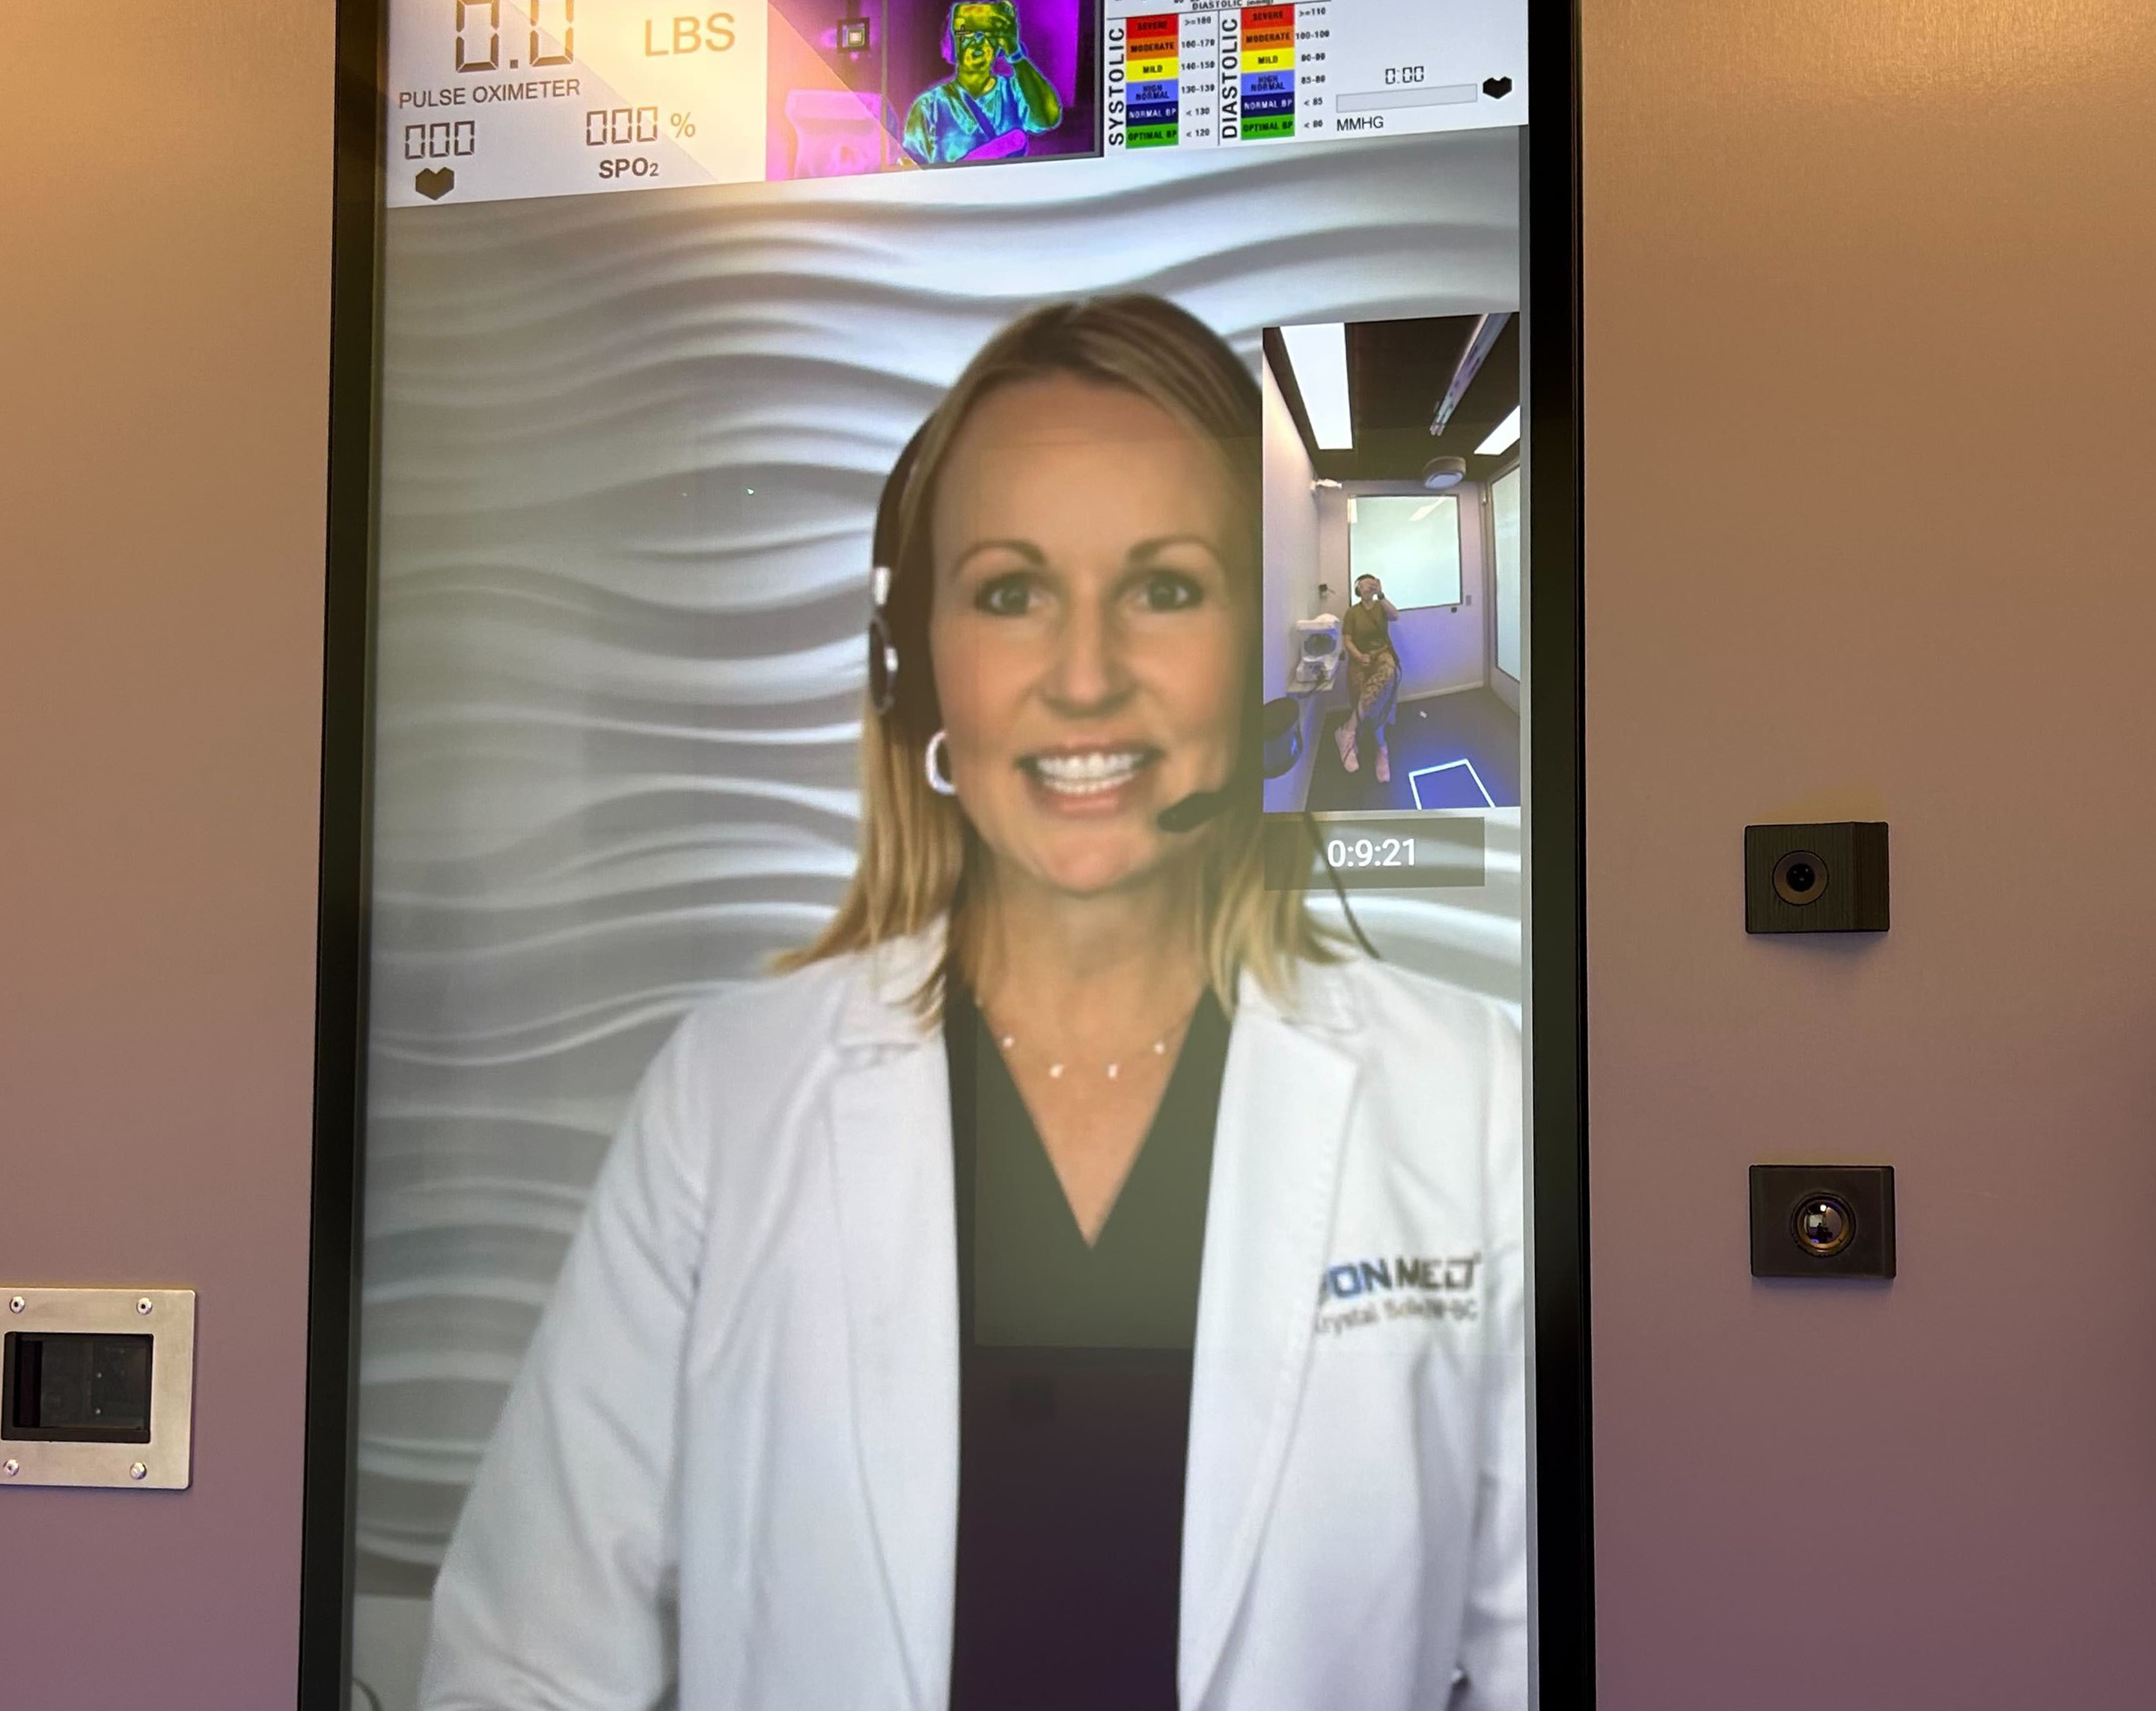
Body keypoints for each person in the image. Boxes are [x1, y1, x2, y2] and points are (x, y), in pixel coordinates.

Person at [418, 296, 1527, 1711]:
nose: (1083, 676)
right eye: (1011, 591)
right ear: (913, 661)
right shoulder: (734, 1097)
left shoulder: (1467, 1098)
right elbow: (527, 1671)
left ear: (1262, 644)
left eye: (1166, 587)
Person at [903, 0, 1064, 166]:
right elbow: (910, 166)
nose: (978, 41)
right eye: (966, 34)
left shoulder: (1014, 92)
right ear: (951, 43)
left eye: (989, 34)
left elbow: (1049, 118)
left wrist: (1014, 52)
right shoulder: (929, 105)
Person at [1338, 572, 1402, 787]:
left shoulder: (1380, 607)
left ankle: (1352, 732)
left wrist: (1382, 595)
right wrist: (1358, 656)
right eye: (1364, 585)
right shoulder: (1352, 613)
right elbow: (1347, 640)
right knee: (1360, 689)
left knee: (1386, 674)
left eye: (1372, 584)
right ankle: (1378, 744)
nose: (1368, 587)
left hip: (1382, 654)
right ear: (1358, 588)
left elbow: (1396, 616)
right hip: (1360, 657)